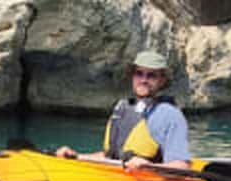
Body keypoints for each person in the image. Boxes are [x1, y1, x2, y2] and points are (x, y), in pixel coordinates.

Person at [56, 50, 190, 172]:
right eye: (139, 73)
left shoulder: (170, 115)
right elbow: (109, 156)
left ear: (162, 80)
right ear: (133, 76)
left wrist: (148, 166)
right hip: (116, 175)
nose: (143, 80)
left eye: (151, 75)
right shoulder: (123, 108)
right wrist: (77, 156)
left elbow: (182, 166)